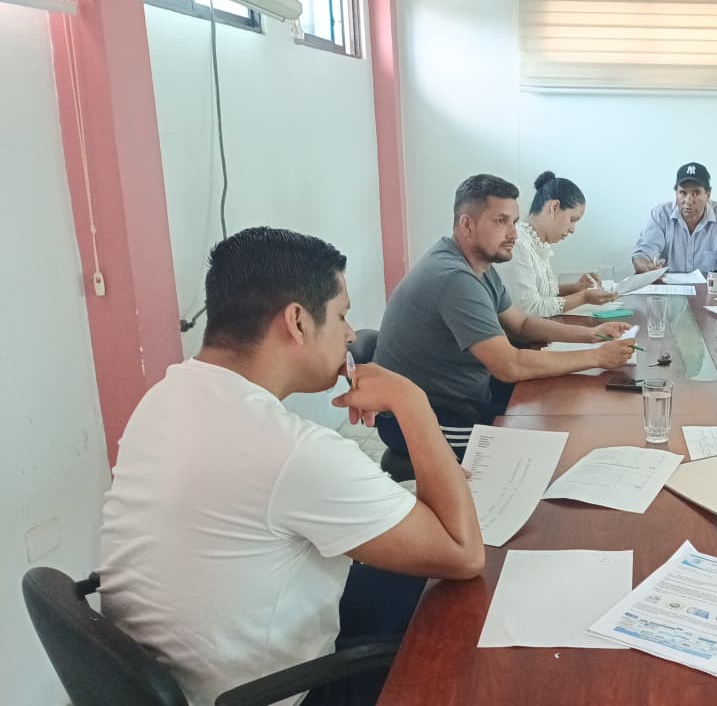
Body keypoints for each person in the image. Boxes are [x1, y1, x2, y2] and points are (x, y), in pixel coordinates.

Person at [97, 227, 486, 706]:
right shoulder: (292, 451)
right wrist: (412, 402)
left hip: (185, 678)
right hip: (272, 693)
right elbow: (463, 554)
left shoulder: (164, 397)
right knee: (459, 605)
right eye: (341, 315)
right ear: (297, 322)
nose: (350, 334)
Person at [375, 174, 635, 457]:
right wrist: (596, 357)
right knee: (539, 449)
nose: (513, 233)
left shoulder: (478, 265)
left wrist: (592, 335)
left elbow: (521, 324)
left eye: (514, 221)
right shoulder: (454, 278)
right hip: (425, 417)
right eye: (501, 221)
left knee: (557, 418)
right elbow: (510, 366)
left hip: (465, 394)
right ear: (467, 225)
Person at [495, 171, 617, 317]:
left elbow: (541, 291)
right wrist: (583, 297)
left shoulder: (537, 243)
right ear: (554, 207)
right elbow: (529, 308)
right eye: (572, 219)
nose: (572, 229)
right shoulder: (518, 244)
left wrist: (577, 287)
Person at [631, 161, 717, 274]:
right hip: (667, 285)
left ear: (708, 195)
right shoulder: (660, 215)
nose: (688, 201)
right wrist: (646, 267)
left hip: (709, 286)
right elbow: (643, 253)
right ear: (676, 193)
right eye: (683, 193)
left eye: (696, 193)